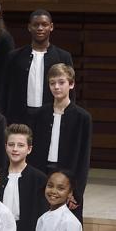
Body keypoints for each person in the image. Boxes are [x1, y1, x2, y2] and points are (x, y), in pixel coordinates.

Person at [29, 64, 91, 220]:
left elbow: (83, 159)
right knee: (39, 220)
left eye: (61, 82)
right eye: (52, 83)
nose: (56, 87)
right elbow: (33, 151)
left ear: (71, 84)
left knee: (67, 223)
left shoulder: (82, 117)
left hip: (67, 176)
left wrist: (77, 191)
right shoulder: (40, 114)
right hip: (42, 173)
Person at [2, 10, 74, 128]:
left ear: (51, 27)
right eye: (36, 25)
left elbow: (70, 92)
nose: (40, 28)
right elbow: (4, 90)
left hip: (52, 117)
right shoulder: (14, 57)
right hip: (18, 118)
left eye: (44, 24)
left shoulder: (63, 57)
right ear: (29, 27)